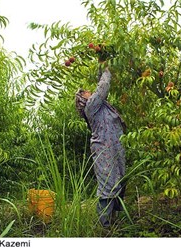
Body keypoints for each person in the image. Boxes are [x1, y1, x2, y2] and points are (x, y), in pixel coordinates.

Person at [75, 65, 126, 228]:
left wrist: (100, 65)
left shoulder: (99, 106)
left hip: (114, 145)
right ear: (83, 99)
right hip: (103, 148)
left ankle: (114, 219)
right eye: (85, 92)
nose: (89, 91)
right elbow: (103, 87)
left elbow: (99, 86)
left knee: (120, 178)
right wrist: (106, 69)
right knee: (108, 184)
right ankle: (103, 225)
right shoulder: (91, 106)